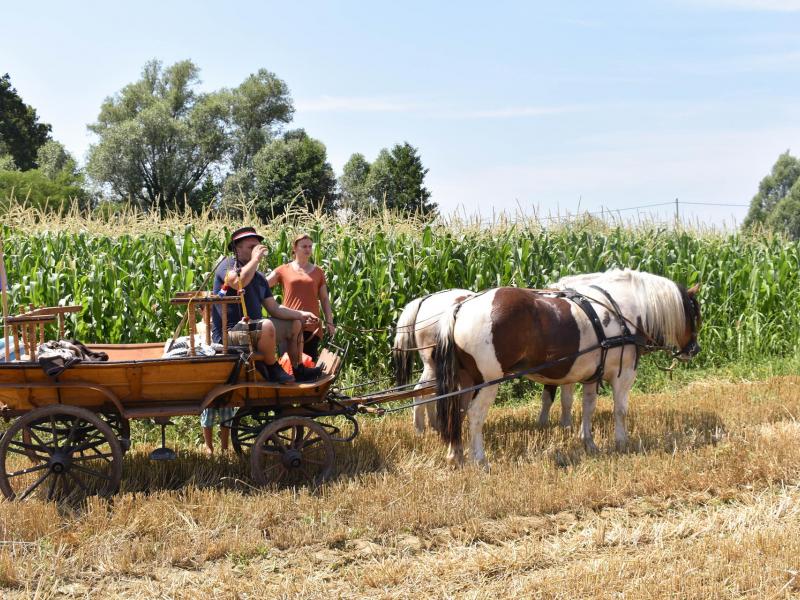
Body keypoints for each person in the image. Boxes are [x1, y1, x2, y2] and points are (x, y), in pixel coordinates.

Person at [201, 227, 323, 454]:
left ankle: (296, 368)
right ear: (237, 248)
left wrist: (300, 315)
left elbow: (274, 307)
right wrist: (255, 260)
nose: (257, 250)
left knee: (294, 324)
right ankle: (272, 366)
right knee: (266, 324)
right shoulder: (227, 266)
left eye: (258, 246)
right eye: (251, 246)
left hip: (253, 331)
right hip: (231, 335)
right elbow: (237, 283)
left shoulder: (258, 278)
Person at [267, 233, 335, 363]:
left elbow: (325, 299)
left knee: (308, 365)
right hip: (289, 324)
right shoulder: (283, 270)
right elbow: (262, 285)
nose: (308, 249)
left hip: (311, 325)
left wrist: (329, 322)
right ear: (295, 248)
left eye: (310, 246)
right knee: (287, 366)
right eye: (304, 246)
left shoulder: (318, 272)